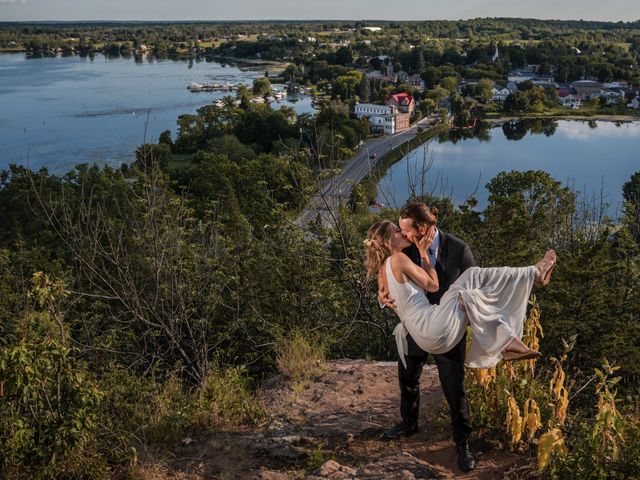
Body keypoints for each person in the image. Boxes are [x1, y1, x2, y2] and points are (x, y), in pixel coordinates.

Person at [368, 212, 555, 472]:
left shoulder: (458, 249)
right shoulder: (404, 252)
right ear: (390, 240)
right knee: (408, 378)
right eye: (399, 231)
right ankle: (408, 423)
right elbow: (391, 285)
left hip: (445, 322)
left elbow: (479, 293)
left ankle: (462, 443)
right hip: (420, 326)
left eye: (406, 230)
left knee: (455, 389)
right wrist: (383, 296)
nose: (404, 234)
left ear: (421, 228)